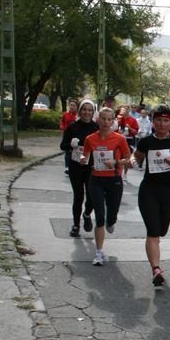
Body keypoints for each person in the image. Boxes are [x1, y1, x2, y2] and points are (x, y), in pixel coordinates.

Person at [133, 105, 170, 288]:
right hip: (148, 190)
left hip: (168, 191)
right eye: (158, 120)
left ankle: (156, 258)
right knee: (153, 231)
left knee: (162, 230)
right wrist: (127, 161)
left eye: (165, 120)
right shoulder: (145, 142)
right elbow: (135, 158)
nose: (161, 124)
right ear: (153, 122)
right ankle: (156, 269)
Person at [82, 107, 132, 266]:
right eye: (103, 118)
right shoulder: (90, 138)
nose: (106, 122)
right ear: (98, 120)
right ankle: (99, 252)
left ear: (113, 122)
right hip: (96, 179)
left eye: (109, 119)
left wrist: (116, 162)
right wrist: (83, 158)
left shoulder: (119, 139)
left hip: (114, 180)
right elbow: (86, 154)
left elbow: (128, 159)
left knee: (111, 216)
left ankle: (112, 221)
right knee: (100, 216)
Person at [59, 99, 98, 237]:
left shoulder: (96, 128)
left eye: (89, 110)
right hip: (76, 166)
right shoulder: (72, 127)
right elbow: (62, 146)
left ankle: (87, 214)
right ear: (79, 111)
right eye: (84, 109)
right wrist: (71, 144)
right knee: (78, 196)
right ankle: (76, 225)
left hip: (92, 166)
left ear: (93, 112)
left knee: (92, 195)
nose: (86, 112)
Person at [59, 98, 78, 175]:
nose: (72, 107)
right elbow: (62, 123)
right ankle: (67, 167)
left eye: (74, 105)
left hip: (75, 136)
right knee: (67, 152)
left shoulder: (78, 116)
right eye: (71, 105)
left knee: (74, 151)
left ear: (77, 107)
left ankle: (74, 166)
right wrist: (62, 127)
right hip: (67, 135)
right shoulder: (65, 115)